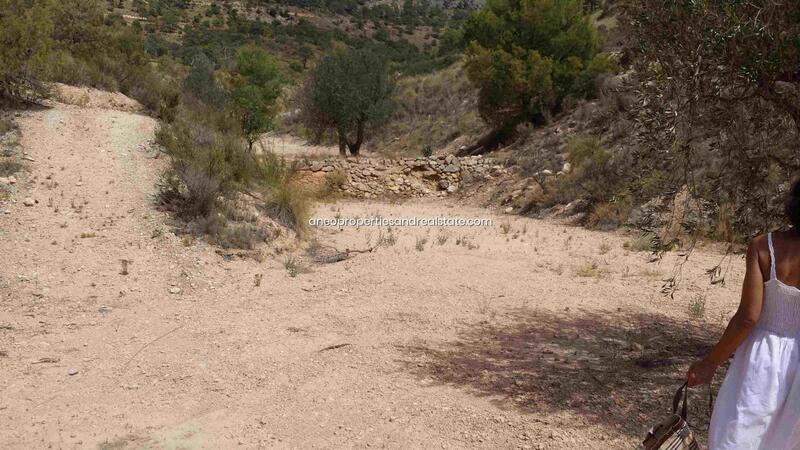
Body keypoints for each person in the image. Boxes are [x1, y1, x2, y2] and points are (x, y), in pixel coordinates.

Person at [686, 180, 800, 449]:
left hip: (762, 359)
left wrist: (710, 363)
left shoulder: (764, 246)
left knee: (741, 434)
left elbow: (748, 318)